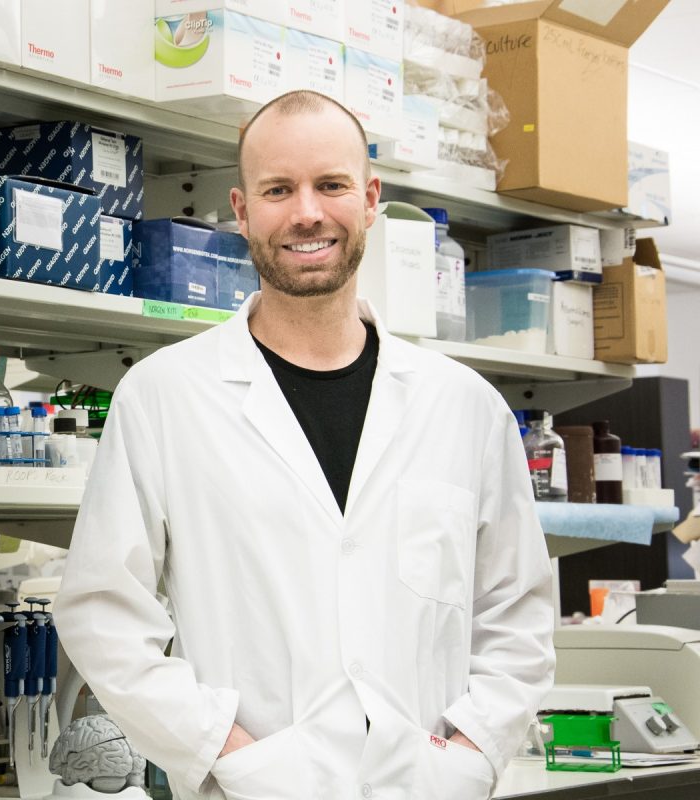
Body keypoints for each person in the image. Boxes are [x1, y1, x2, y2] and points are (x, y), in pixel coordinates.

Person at [53, 90, 555, 800]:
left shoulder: (464, 406)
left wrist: (471, 752)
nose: (307, 212)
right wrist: (227, 750)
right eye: (278, 189)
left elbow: (518, 611)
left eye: (331, 185)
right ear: (241, 210)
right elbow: (102, 610)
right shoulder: (165, 396)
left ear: (371, 198)